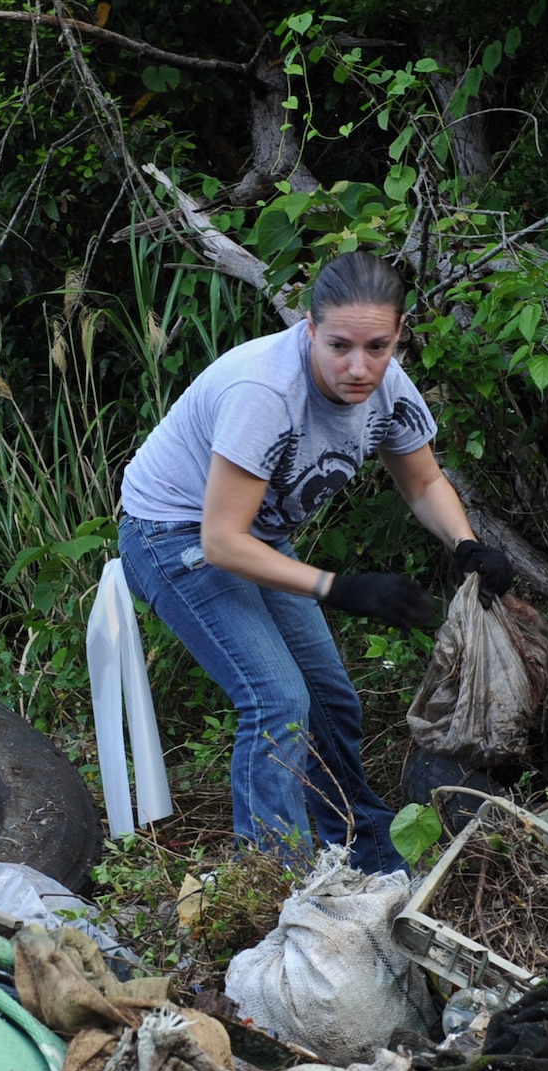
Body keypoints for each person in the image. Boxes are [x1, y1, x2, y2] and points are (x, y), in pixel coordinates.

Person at [117, 252, 513, 874]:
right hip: (174, 534)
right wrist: (337, 588)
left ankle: (366, 855)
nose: (359, 367)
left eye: (377, 346)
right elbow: (221, 542)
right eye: (340, 346)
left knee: (331, 702)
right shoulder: (265, 393)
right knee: (277, 702)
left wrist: (466, 546)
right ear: (309, 328)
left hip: (257, 535)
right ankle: (276, 882)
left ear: (399, 334)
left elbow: (423, 480)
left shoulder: (386, 384)